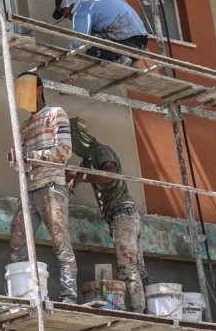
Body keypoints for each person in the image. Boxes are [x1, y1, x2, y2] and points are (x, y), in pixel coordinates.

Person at [67, 118, 149, 313]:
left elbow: (110, 174)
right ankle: (149, 308)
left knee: (128, 268)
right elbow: (77, 176)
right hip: (120, 215)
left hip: (122, 212)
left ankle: (139, 311)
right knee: (137, 266)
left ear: (79, 137)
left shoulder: (100, 150)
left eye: (71, 139)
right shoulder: (88, 159)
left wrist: (81, 177)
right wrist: (73, 178)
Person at [9, 72, 78, 304]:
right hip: (30, 189)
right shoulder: (24, 126)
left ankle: (69, 296)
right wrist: (16, 158)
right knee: (17, 236)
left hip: (52, 187)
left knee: (60, 241)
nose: (22, 94)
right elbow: (22, 163)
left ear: (40, 89)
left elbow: (64, 151)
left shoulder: (56, 114)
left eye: (25, 89)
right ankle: (25, 290)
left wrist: (30, 156)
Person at [52, 0, 148, 66]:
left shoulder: (82, 11)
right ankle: (131, 61)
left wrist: (71, 67)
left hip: (125, 37)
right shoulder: (93, 5)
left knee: (87, 45)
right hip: (141, 41)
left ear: (70, 3)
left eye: (63, 11)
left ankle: (118, 59)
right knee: (93, 34)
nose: (64, 16)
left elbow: (78, 43)